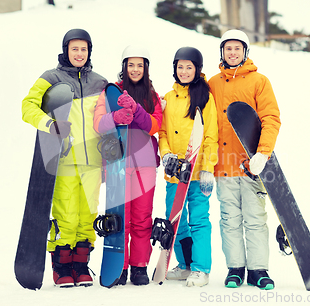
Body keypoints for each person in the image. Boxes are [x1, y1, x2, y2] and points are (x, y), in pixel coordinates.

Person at [21, 29, 107, 287]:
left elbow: (106, 122)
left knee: (87, 215)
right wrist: (49, 124)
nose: (79, 54)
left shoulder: (100, 82)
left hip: (92, 161)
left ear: (89, 51)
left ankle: (81, 266)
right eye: (75, 49)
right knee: (65, 213)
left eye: (84, 49)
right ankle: (61, 267)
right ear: (66, 50)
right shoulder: (51, 78)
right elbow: (28, 107)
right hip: (64, 159)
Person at [208, 29, 281, 290]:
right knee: (229, 219)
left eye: (237, 48)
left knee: (255, 219)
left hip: (251, 166)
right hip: (223, 166)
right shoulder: (213, 83)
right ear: (222, 52)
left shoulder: (259, 81)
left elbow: (271, 118)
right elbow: (205, 123)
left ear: (245, 52)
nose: (233, 52)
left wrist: (262, 153)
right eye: (228, 48)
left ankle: (258, 270)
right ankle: (235, 268)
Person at [93, 45, 163, 286]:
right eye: (130, 65)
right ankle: (120, 266)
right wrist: (114, 118)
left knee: (142, 217)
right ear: (124, 67)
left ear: (146, 68)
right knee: (122, 217)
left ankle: (139, 266)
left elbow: (155, 126)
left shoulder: (152, 95)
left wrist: (136, 110)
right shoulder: (111, 92)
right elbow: (98, 124)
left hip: (144, 164)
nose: (135, 69)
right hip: (118, 165)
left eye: (140, 65)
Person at [159, 47, 218, 287]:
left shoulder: (205, 97)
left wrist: (208, 168)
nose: (184, 71)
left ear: (197, 69)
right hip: (174, 174)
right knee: (175, 220)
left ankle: (201, 268)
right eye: (180, 67)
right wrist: (166, 155)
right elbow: (162, 132)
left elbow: (212, 134)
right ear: (175, 68)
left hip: (197, 171)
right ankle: (185, 265)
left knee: (199, 219)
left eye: (189, 67)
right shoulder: (168, 97)